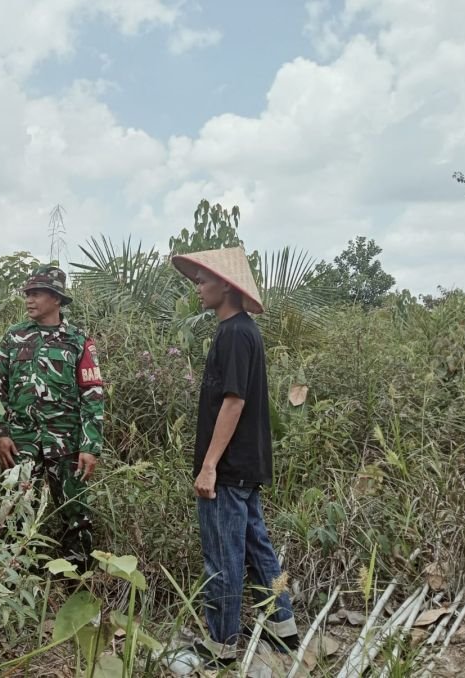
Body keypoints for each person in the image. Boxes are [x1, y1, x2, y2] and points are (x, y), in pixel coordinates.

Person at [171, 247, 299, 668]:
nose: (198, 286)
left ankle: (221, 644)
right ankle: (285, 628)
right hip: (244, 465)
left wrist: (209, 465)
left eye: (204, 279)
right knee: (255, 546)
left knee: (222, 555)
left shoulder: (234, 334)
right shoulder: (240, 331)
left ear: (226, 285)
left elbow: (233, 402)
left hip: (228, 469)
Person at [0, 265, 104, 570]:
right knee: (13, 510)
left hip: (66, 444)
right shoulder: (13, 337)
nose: (29, 299)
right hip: (21, 443)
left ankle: (75, 582)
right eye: (27, 293)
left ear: (56, 299)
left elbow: (93, 395)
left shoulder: (79, 341)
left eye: (36, 293)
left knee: (75, 513)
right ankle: (10, 580)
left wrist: (90, 446)